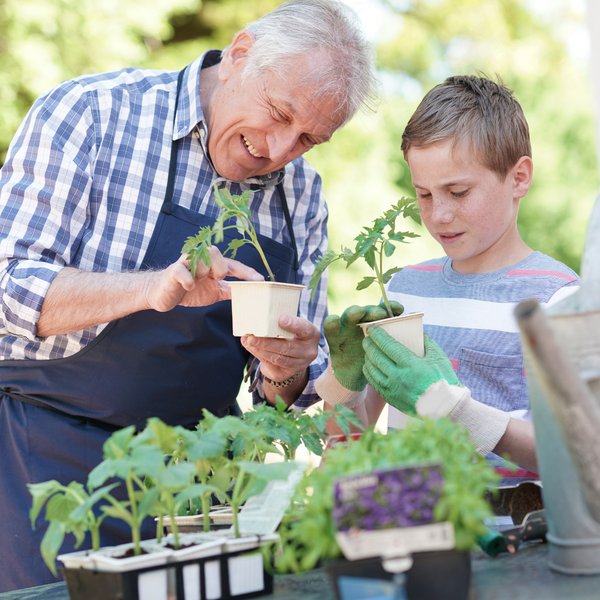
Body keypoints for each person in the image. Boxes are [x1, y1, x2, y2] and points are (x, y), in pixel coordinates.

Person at [0, 0, 376, 591]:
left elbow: (286, 399)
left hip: (201, 486)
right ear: (239, 54)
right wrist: (152, 287)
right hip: (47, 465)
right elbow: (7, 290)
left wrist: (285, 368)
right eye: (278, 114)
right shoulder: (92, 114)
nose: (279, 150)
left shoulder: (298, 194)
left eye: (308, 138)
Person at [316, 75, 579, 480]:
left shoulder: (558, 300)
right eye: (424, 194)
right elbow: (346, 446)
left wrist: (455, 410)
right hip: (406, 524)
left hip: (516, 536)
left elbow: (580, 452)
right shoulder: (403, 292)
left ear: (520, 178)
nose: (438, 215)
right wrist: (343, 385)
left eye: (458, 192)